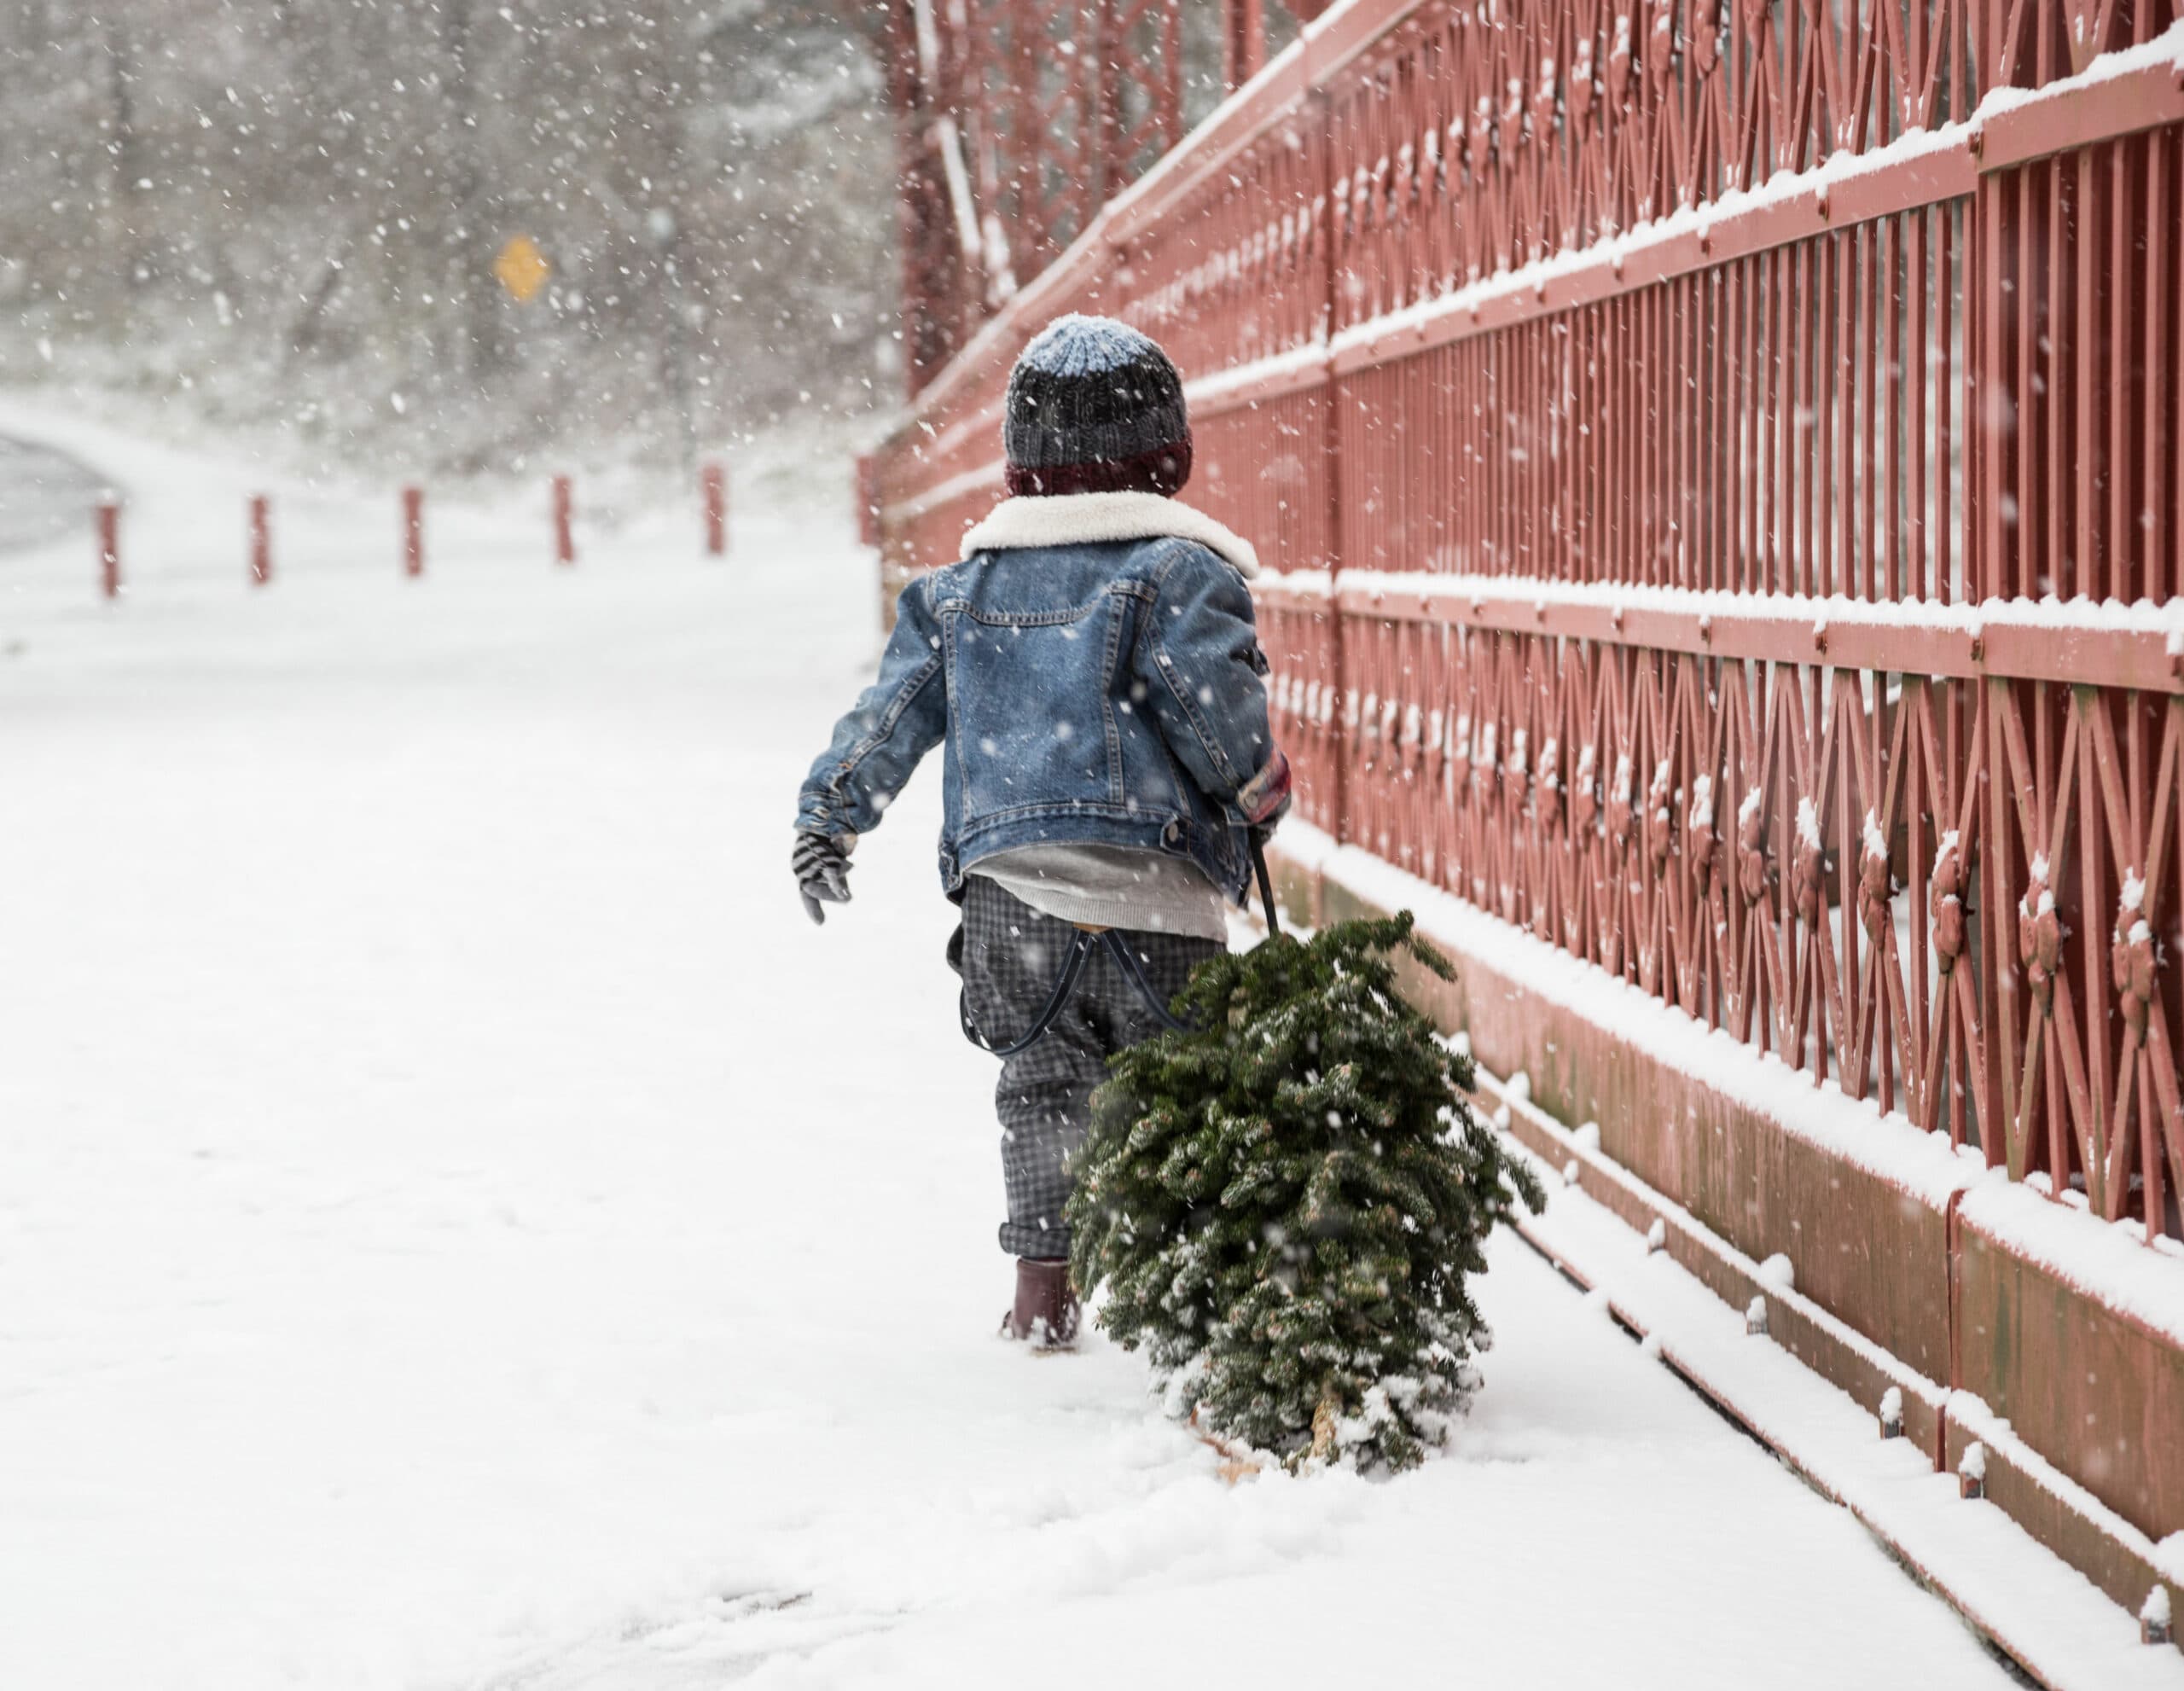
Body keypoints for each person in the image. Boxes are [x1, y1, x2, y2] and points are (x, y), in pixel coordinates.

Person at [793, 314, 1289, 1348]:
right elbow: (1214, 721)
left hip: (1012, 905)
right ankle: (1181, 1302)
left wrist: (829, 815)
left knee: (1043, 1091)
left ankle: (1042, 1296)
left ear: (1018, 473)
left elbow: (887, 718)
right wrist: (1254, 789)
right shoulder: (1178, 575)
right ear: (1170, 458)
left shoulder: (955, 597)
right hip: (1158, 899)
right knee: (1179, 1100)